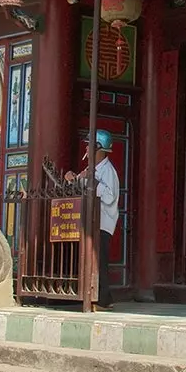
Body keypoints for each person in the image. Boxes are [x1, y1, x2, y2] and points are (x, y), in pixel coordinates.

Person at [68, 130, 119, 308]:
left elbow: (109, 196)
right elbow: (82, 188)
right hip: (91, 222)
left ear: (98, 147)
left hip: (103, 223)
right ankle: (95, 296)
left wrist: (91, 181)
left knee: (99, 261)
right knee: (91, 260)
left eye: (90, 144)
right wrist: (74, 180)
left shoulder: (108, 171)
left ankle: (104, 299)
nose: (87, 147)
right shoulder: (93, 170)